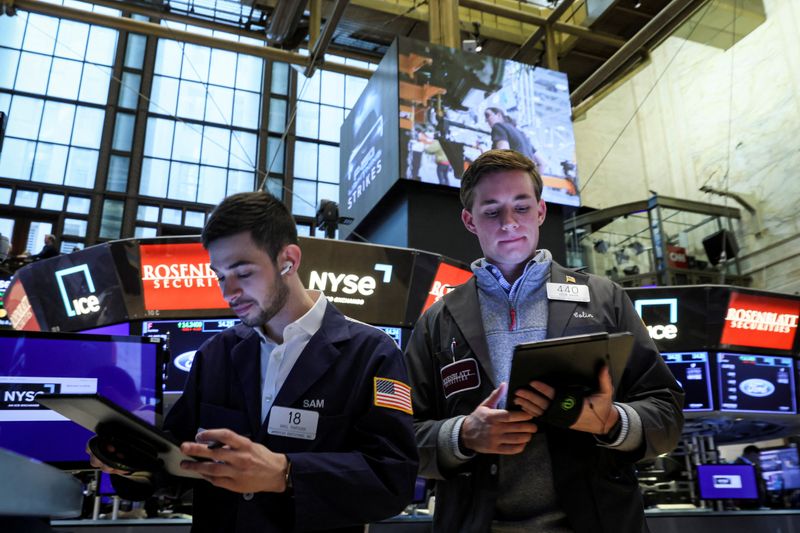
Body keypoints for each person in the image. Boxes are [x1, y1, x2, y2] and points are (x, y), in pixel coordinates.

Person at [91, 192, 419, 532]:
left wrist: (284, 472)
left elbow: (393, 479)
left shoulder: (370, 354)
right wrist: (130, 464)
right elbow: (180, 461)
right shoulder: (216, 353)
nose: (228, 292)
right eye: (219, 276)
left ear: (288, 260)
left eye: (243, 272)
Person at [404, 149, 684, 532]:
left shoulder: (603, 297)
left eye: (521, 207)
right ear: (470, 220)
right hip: (476, 523)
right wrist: (463, 434)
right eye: (491, 211)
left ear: (540, 212)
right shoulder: (438, 319)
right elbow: (402, 433)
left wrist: (612, 422)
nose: (508, 223)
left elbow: (666, 410)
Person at [484, 107, 545, 172]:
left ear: (498, 115)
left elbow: (503, 154)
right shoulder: (522, 134)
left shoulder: (498, 127)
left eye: (488, 115)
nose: (486, 120)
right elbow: (543, 163)